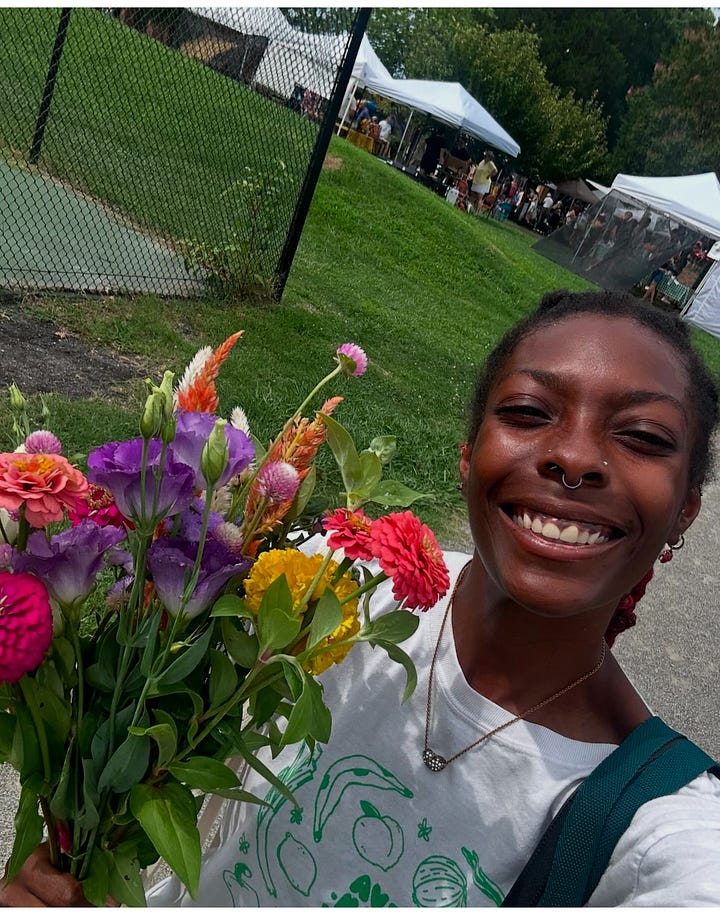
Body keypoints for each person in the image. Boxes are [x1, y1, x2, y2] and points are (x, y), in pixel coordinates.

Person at [4, 291, 720, 907]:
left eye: (641, 435)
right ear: (467, 454)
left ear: (686, 508)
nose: (576, 457)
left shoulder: (655, 822)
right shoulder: (328, 586)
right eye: (531, 411)